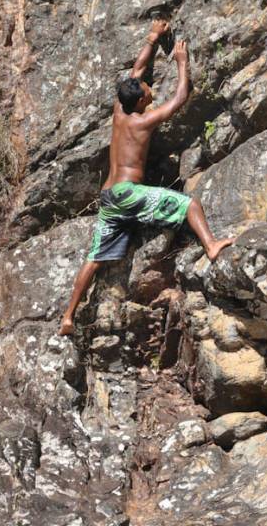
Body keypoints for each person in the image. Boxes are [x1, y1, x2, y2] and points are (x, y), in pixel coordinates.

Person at [59, 21, 235, 336]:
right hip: (128, 193)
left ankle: (68, 316)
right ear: (140, 102)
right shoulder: (142, 122)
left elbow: (137, 70)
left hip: (110, 196)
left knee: (96, 257)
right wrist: (182, 63)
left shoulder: (119, 111)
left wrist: (153, 39)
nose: (149, 89)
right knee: (189, 205)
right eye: (146, 92)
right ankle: (210, 245)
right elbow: (179, 99)